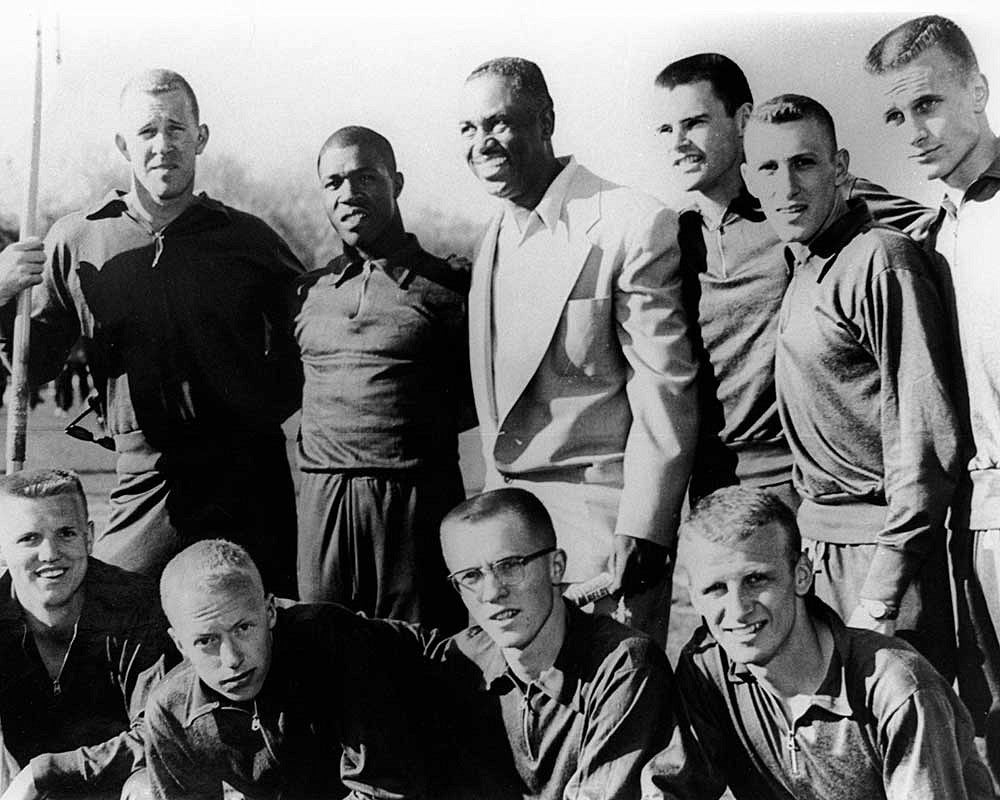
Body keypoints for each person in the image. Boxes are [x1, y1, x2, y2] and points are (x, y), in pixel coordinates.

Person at [0, 69, 304, 596]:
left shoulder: (248, 239)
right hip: (147, 475)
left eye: (176, 129)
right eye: (146, 132)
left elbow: (314, 336)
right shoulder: (77, 238)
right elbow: (34, 366)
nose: (162, 145)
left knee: (265, 624)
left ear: (200, 137)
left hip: (249, 477)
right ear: (124, 144)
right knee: (108, 613)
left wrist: (259, 407)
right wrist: (3, 294)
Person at [459, 56, 699, 643]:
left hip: (602, 526)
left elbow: (663, 386)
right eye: (467, 130)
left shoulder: (630, 221)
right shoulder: (490, 235)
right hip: (508, 534)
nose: (482, 144)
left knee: (616, 714)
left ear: (546, 121)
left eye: (499, 123)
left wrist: (644, 527)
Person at [651, 52, 935, 507]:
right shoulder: (673, 238)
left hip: (803, 481)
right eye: (666, 130)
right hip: (711, 484)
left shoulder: (802, 202)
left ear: (743, 119)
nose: (678, 142)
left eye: (695, 123)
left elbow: (933, 230)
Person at [739, 93, 960, 678]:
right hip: (820, 552)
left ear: (840, 168)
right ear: (749, 180)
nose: (787, 186)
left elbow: (924, 437)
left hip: (887, 555)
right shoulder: (806, 264)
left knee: (918, 748)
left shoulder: (880, 260)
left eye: (804, 163)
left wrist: (884, 589)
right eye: (768, 168)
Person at [642, 486, 994, 800]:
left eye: (756, 579)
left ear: (802, 575)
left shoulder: (895, 687)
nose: (737, 611)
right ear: (694, 597)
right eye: (715, 589)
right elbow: (670, 787)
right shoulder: (709, 668)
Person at [865, 14, 1000, 775]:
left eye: (929, 104)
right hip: (974, 525)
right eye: (896, 114)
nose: (914, 129)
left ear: (978, 90)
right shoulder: (938, 228)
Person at [294, 125, 469, 630]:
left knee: (418, 657)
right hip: (321, 499)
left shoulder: (451, 287)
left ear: (397, 182)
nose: (349, 193)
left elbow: (479, 398)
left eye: (365, 177)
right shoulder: (309, 291)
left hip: (412, 500)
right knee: (320, 646)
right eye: (334, 183)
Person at [428, 488, 679, 800]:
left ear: (556, 567)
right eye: (471, 576)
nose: (491, 592)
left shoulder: (624, 665)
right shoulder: (460, 662)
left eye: (509, 566)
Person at [144, 539, 429, 800]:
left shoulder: (334, 644)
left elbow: (385, 790)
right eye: (206, 641)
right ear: (179, 644)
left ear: (270, 611)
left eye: (243, 628)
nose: (231, 659)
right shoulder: (170, 710)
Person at [0, 469, 172, 800]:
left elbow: (160, 731)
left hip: (118, 786)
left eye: (66, 533)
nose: (50, 553)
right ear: (3, 547)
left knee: (149, 790)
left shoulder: (136, 606)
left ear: (89, 537)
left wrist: (46, 772)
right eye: (29, 538)